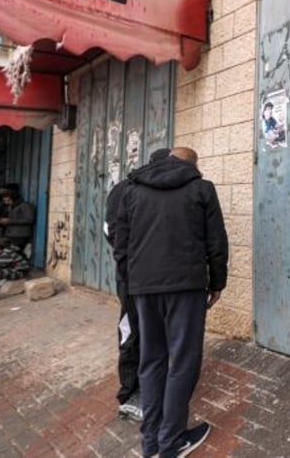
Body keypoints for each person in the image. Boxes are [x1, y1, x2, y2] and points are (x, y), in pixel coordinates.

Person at [113, 146, 228, 458]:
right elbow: (216, 241)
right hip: (186, 288)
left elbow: (121, 245)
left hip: (144, 289)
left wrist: (131, 283)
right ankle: (172, 442)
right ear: (194, 164)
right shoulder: (201, 188)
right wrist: (217, 282)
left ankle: (151, 442)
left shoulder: (132, 190)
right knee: (183, 362)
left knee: (151, 360)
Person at [104, 147, 172, 423]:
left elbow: (111, 234)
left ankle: (145, 389)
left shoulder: (127, 189)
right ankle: (131, 393)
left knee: (140, 331)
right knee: (133, 331)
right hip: (139, 277)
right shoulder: (130, 190)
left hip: (136, 275)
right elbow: (114, 233)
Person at [0, 184, 36, 257]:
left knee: (15, 253)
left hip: (20, 236)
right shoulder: (12, 207)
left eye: (7, 199)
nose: (6, 201)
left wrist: (9, 221)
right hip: (12, 235)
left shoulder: (25, 205)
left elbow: (29, 219)